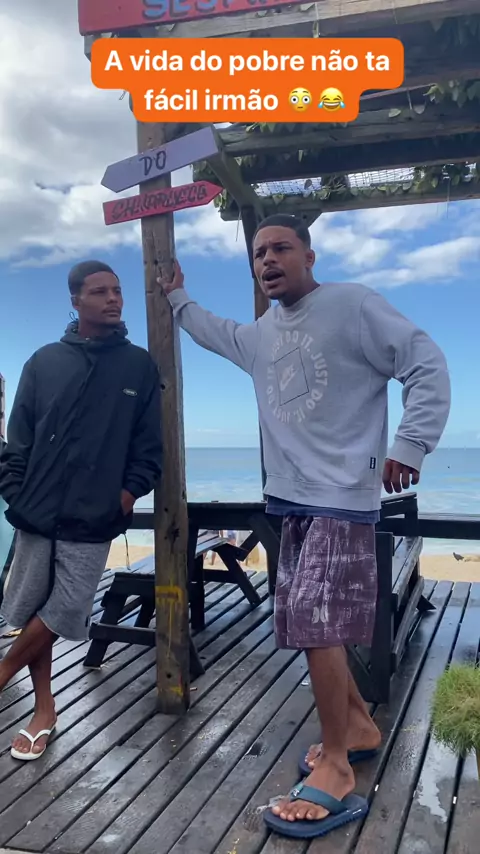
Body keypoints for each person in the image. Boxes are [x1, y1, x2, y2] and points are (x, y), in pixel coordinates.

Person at [158, 215, 450, 839]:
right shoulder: (261, 335)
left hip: (343, 496)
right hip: (289, 500)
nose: (267, 260)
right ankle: (360, 728)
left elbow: (425, 362)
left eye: (281, 248)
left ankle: (337, 764)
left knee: (319, 626)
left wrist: (411, 443)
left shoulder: (353, 306)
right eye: (258, 252)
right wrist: (177, 297)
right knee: (305, 625)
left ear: (309, 256)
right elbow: (213, 332)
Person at [0, 260, 162, 761]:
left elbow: (148, 446)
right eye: (100, 292)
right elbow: (17, 440)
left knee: (65, 609)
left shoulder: (138, 365)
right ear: (75, 301)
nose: (113, 299)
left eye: (117, 290)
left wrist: (127, 494)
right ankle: (44, 711)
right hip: (37, 510)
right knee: (34, 610)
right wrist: (15, 492)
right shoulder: (44, 361)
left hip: (94, 517)